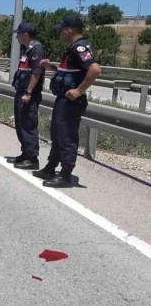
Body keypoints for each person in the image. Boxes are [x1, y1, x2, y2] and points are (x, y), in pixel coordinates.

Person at [33, 15, 101, 187]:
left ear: (68, 30)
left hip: (71, 102)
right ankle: (50, 167)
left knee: (66, 137)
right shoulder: (73, 48)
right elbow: (69, 72)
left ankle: (65, 175)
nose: (61, 33)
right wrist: (50, 67)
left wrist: (79, 90)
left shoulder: (80, 48)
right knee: (56, 134)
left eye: (62, 30)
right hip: (63, 99)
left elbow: (95, 69)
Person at [7, 22, 46, 170]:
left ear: (25, 34)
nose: (16, 37)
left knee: (28, 124)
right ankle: (25, 153)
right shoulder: (28, 50)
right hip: (21, 92)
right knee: (21, 123)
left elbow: (36, 73)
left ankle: (32, 158)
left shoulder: (37, 49)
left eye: (18, 34)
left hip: (28, 94)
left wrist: (29, 92)